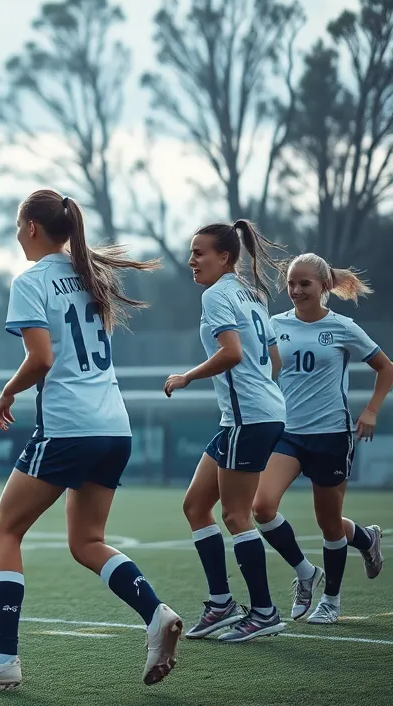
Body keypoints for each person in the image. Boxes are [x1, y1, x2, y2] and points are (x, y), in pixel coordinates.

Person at [0, 190, 180, 690]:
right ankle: (156, 614)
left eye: (17, 225)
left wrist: (7, 391)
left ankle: (4, 659)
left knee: (3, 531)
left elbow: (42, 360)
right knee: (87, 541)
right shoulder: (90, 274)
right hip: (114, 426)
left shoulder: (31, 281)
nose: (16, 234)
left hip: (69, 426)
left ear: (32, 227)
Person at [165, 219, 288, 643]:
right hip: (253, 415)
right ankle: (221, 604)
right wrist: (260, 391)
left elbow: (231, 353)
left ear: (225, 257)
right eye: (192, 251)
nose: (192, 260)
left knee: (236, 515)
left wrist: (186, 377)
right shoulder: (252, 293)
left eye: (200, 252)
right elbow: (274, 359)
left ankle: (265, 612)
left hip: (248, 419)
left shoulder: (217, 294)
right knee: (196, 505)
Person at [253, 254, 390, 623]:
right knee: (261, 507)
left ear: (324, 286)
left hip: (331, 436)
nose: (295, 291)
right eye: (291, 284)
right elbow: (265, 371)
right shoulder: (274, 324)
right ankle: (306, 572)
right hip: (288, 434)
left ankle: (331, 599)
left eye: (305, 284)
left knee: (329, 524)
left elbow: (385, 368)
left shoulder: (343, 327)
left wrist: (371, 410)